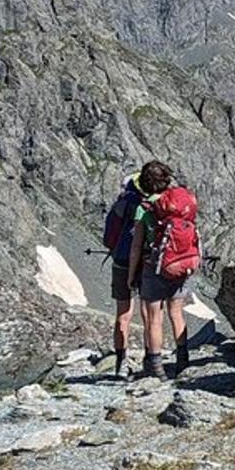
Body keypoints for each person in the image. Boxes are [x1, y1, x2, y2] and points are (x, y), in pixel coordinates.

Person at [129, 174, 202, 380]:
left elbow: (136, 246)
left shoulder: (144, 209)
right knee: (177, 313)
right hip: (182, 264)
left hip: (155, 268)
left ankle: (156, 368)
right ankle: (182, 361)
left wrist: (131, 274)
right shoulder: (181, 204)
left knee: (154, 319)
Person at [105, 161, 172, 379]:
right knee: (150, 315)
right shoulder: (152, 204)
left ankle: (120, 363)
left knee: (123, 315)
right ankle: (150, 361)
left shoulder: (123, 202)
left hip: (121, 260)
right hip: (147, 261)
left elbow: (109, 234)